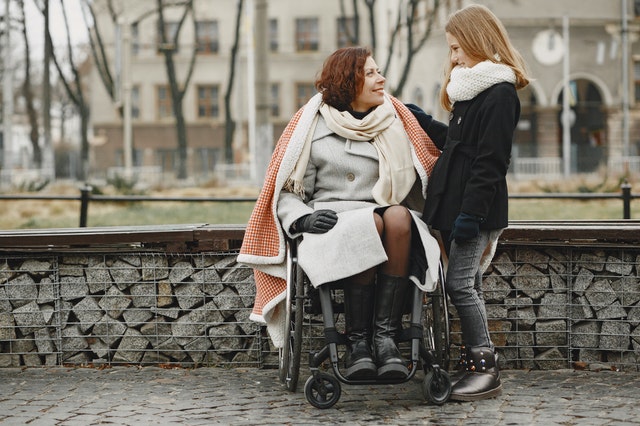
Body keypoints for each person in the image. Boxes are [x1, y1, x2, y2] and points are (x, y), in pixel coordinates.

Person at [238, 46, 442, 381]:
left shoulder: (395, 120)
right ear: (350, 81)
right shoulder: (312, 128)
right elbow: (286, 190)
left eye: (379, 72)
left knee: (396, 218)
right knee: (371, 222)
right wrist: (302, 219)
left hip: (390, 219)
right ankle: (358, 342)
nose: (382, 79)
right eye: (372, 73)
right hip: (331, 223)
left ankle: (384, 337)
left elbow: (429, 162)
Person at [410, 4, 530, 401]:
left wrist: (471, 216)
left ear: (480, 41)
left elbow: (491, 162)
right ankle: (472, 364)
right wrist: (423, 122)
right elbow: (458, 147)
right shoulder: (472, 89)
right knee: (468, 283)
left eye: (459, 48)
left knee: (461, 285)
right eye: (451, 49)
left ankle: (485, 367)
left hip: (473, 209)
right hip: (456, 205)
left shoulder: (499, 94)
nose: (454, 57)